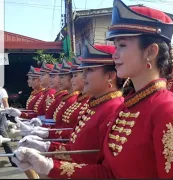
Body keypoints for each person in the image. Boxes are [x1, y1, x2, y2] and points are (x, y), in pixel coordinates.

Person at [11, 0, 173, 178]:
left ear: (151, 52)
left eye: (122, 45)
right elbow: (107, 172)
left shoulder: (167, 112)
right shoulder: (128, 107)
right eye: (115, 46)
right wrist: (48, 165)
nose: (115, 55)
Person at [14, 42, 124, 179]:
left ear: (110, 76)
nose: (83, 77)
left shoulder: (114, 108)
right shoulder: (98, 104)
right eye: (82, 71)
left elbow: (100, 164)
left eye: (88, 70)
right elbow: (78, 146)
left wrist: (51, 165)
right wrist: (47, 145)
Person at [0, 87, 16, 167]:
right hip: (0, 114)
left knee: (4, 138)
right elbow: (5, 101)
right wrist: (9, 113)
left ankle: (12, 159)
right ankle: (13, 160)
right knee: (4, 138)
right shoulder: (2, 90)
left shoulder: (1, 90)